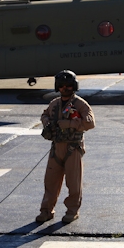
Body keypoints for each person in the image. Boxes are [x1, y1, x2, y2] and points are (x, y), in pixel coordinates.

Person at [37, 70, 95, 224]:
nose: (65, 88)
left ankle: (72, 211)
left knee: (73, 182)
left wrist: (70, 124)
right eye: (62, 86)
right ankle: (46, 210)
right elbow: (44, 115)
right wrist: (47, 124)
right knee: (50, 181)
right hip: (56, 148)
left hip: (73, 148)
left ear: (74, 86)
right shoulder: (54, 103)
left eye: (68, 85)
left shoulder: (80, 104)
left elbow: (90, 123)